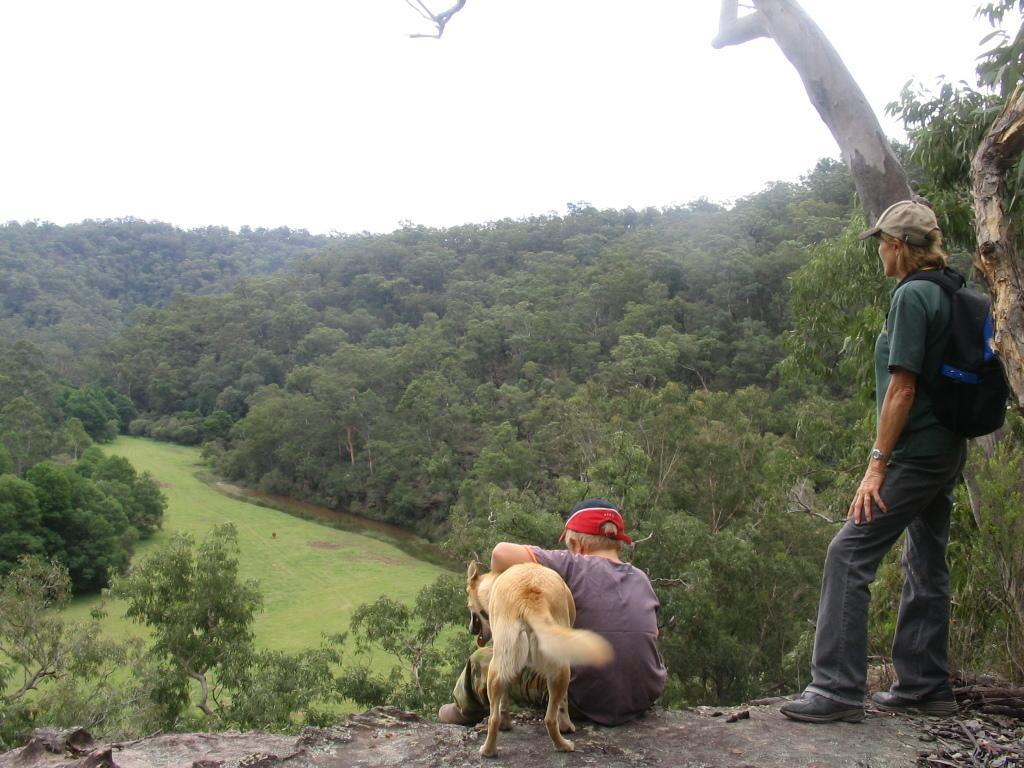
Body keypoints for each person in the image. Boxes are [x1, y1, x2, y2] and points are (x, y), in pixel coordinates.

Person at [781, 200, 967, 723]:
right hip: (947, 449)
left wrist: (876, 464)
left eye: (884, 242)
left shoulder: (912, 296)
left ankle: (838, 689)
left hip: (914, 452)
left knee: (849, 552)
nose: (880, 252)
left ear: (901, 247)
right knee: (927, 558)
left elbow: (902, 390)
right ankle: (926, 686)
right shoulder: (952, 290)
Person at [438, 499, 667, 726]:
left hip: (584, 699)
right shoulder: (641, 579)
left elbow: (500, 554)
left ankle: (463, 710)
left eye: (568, 545)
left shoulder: (572, 564)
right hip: (641, 696)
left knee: (482, 660)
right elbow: (651, 633)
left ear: (576, 544)